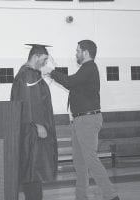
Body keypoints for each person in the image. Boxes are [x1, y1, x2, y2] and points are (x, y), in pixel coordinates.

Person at [42, 40, 120, 200]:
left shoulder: (89, 67)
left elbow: (70, 82)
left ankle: (111, 196)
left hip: (88, 120)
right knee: (80, 162)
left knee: (90, 160)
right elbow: (73, 83)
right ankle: (81, 196)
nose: (75, 53)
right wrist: (54, 73)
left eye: (77, 51)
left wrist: (51, 72)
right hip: (80, 120)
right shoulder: (86, 70)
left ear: (85, 53)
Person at [10, 44, 58, 200]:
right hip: (32, 131)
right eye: (43, 60)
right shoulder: (29, 75)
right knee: (33, 171)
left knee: (30, 171)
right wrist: (38, 124)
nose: (44, 64)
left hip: (28, 130)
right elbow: (30, 102)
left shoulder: (25, 73)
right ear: (35, 56)